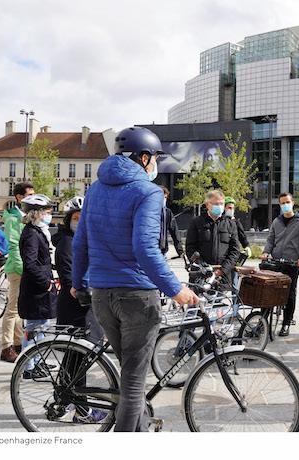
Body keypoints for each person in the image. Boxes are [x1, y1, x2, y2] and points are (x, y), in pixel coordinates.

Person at [72, 126, 198, 432]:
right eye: (154, 157)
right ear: (143, 158)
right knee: (132, 384)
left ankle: (141, 429)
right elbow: (145, 248)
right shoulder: (149, 192)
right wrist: (176, 288)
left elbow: (80, 243)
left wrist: (78, 282)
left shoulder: (95, 189)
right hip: (137, 298)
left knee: (129, 370)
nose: (156, 164)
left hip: (102, 295)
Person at [261, 192, 299, 337]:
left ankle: (286, 322)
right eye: (282, 203)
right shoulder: (277, 221)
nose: (285, 205)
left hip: (292, 263)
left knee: (290, 293)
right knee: (268, 291)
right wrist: (266, 252)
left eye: (287, 202)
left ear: (293, 203)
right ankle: (262, 321)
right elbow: (271, 239)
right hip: (276, 263)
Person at [53, 196, 103, 343]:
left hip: (84, 299)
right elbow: (67, 273)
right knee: (77, 350)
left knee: (82, 351)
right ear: (68, 220)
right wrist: (81, 290)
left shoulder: (86, 240)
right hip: (75, 302)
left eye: (83, 217)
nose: (79, 221)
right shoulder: (67, 242)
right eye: (75, 218)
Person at [18, 194, 57, 379]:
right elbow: (30, 263)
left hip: (40, 289)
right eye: (47, 212)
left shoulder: (37, 231)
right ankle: (28, 366)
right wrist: (46, 283)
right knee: (34, 329)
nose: (50, 215)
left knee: (40, 327)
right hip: (36, 290)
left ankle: (37, 361)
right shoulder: (32, 234)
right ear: (37, 213)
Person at [0, 182, 34, 363]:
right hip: (17, 268)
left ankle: (18, 342)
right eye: (29, 195)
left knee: (19, 309)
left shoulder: (24, 217)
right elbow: (12, 246)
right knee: (12, 309)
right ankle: (6, 347)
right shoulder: (14, 219)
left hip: (21, 267)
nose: (31, 198)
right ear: (19, 197)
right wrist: (24, 267)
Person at [185, 190, 240, 283]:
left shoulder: (230, 224)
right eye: (216, 204)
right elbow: (190, 248)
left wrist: (223, 270)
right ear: (207, 205)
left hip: (222, 277)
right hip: (200, 275)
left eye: (222, 204)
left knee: (220, 298)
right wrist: (204, 267)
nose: (219, 206)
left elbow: (235, 251)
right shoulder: (196, 222)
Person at [159, 186, 184, 258]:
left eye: (165, 197)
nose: (164, 200)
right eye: (162, 197)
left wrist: (180, 251)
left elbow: (174, 232)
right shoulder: (147, 211)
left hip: (162, 250)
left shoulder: (167, 212)